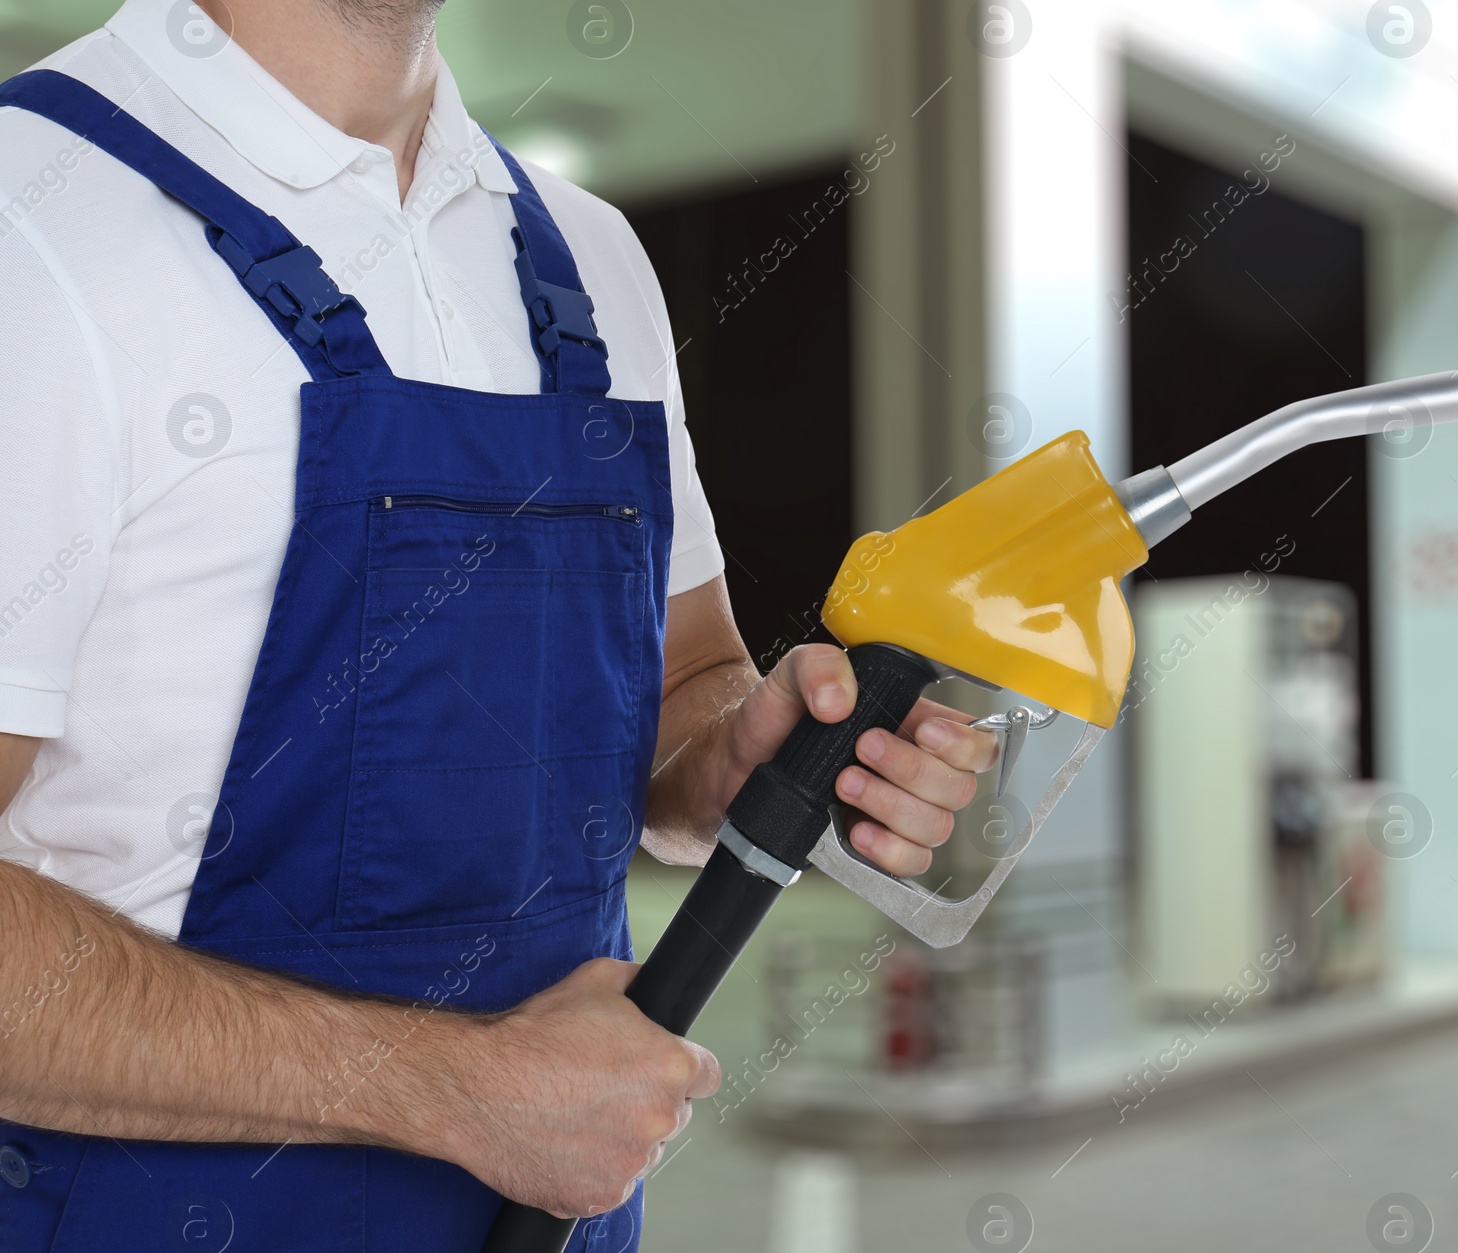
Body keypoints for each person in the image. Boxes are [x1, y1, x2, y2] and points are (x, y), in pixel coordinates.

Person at [0, 1, 998, 1250]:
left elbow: (687, 677)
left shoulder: (587, 255)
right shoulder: (31, 216)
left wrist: (745, 752)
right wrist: (454, 1088)